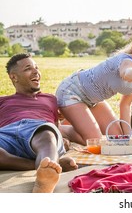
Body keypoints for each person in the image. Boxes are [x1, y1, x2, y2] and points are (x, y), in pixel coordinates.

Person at [56, 27, 132, 145]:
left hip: (93, 101)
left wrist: (128, 139)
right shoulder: (126, 60)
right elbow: (126, 73)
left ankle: (74, 120)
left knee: (117, 139)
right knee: (95, 141)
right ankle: (59, 129)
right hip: (72, 92)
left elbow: (125, 105)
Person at [0, 53, 78, 193]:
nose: (36, 72)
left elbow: (55, 127)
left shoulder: (50, 99)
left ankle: (43, 184)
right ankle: (48, 165)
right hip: (7, 134)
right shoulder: (2, 100)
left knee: (47, 135)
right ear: (14, 77)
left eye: (36, 67)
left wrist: (61, 139)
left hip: (38, 129)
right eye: (28, 68)